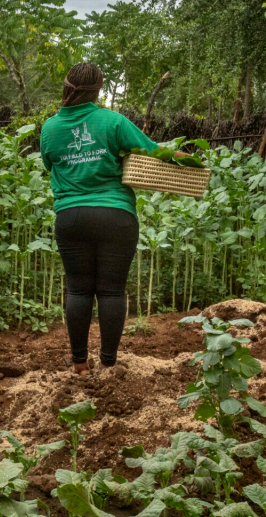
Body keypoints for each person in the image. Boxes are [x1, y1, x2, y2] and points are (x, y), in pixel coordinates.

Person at [40, 62, 159, 375]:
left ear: (66, 86)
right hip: (115, 214)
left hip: (71, 216)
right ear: (98, 90)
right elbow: (151, 152)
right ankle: (108, 364)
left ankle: (80, 364)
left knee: (78, 290)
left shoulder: (50, 128)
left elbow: (49, 164)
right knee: (111, 291)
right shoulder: (112, 121)